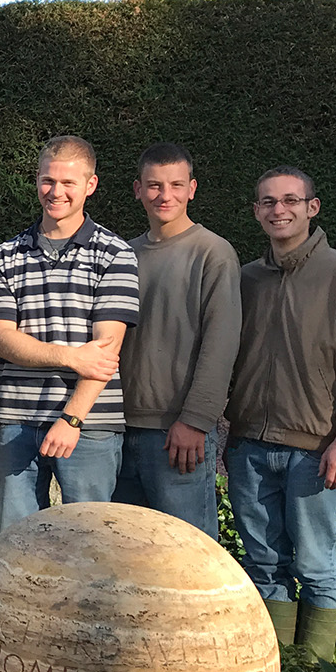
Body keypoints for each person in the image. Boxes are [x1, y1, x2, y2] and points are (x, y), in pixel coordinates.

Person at [226, 167, 336, 661]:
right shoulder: (247, 280)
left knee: (319, 567)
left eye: (290, 200)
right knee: (264, 563)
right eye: (268, 202)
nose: (279, 210)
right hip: (250, 448)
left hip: (317, 450)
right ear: (257, 211)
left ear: (311, 207)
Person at [0, 136, 140, 532]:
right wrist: (70, 356)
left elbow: (106, 350)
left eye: (69, 183)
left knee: (90, 543)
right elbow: (2, 338)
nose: (56, 192)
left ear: (91, 185)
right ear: (37, 181)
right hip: (16, 419)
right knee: (17, 545)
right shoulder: (4, 255)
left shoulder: (115, 254)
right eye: (48, 181)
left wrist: (71, 419)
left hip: (89, 424)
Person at [113, 144, 242, 536]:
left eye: (175, 185)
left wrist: (196, 420)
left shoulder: (213, 254)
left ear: (192, 189)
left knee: (189, 556)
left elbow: (221, 344)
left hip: (177, 434)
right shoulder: (122, 254)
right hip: (117, 430)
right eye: (154, 185)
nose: (164, 195)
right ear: (138, 189)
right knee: (127, 556)